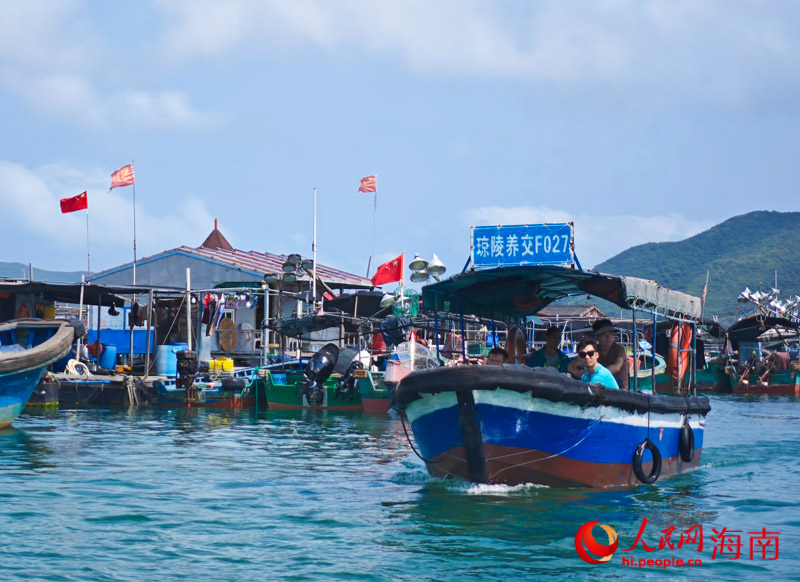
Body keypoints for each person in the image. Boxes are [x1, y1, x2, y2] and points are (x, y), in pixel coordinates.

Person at [569, 319, 629, 390]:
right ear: (597, 337)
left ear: (597, 355)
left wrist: (593, 370)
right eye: (604, 334)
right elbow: (571, 365)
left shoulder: (619, 349)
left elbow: (616, 367)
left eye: (610, 334)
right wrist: (577, 372)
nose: (608, 337)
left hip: (621, 389)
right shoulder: (592, 351)